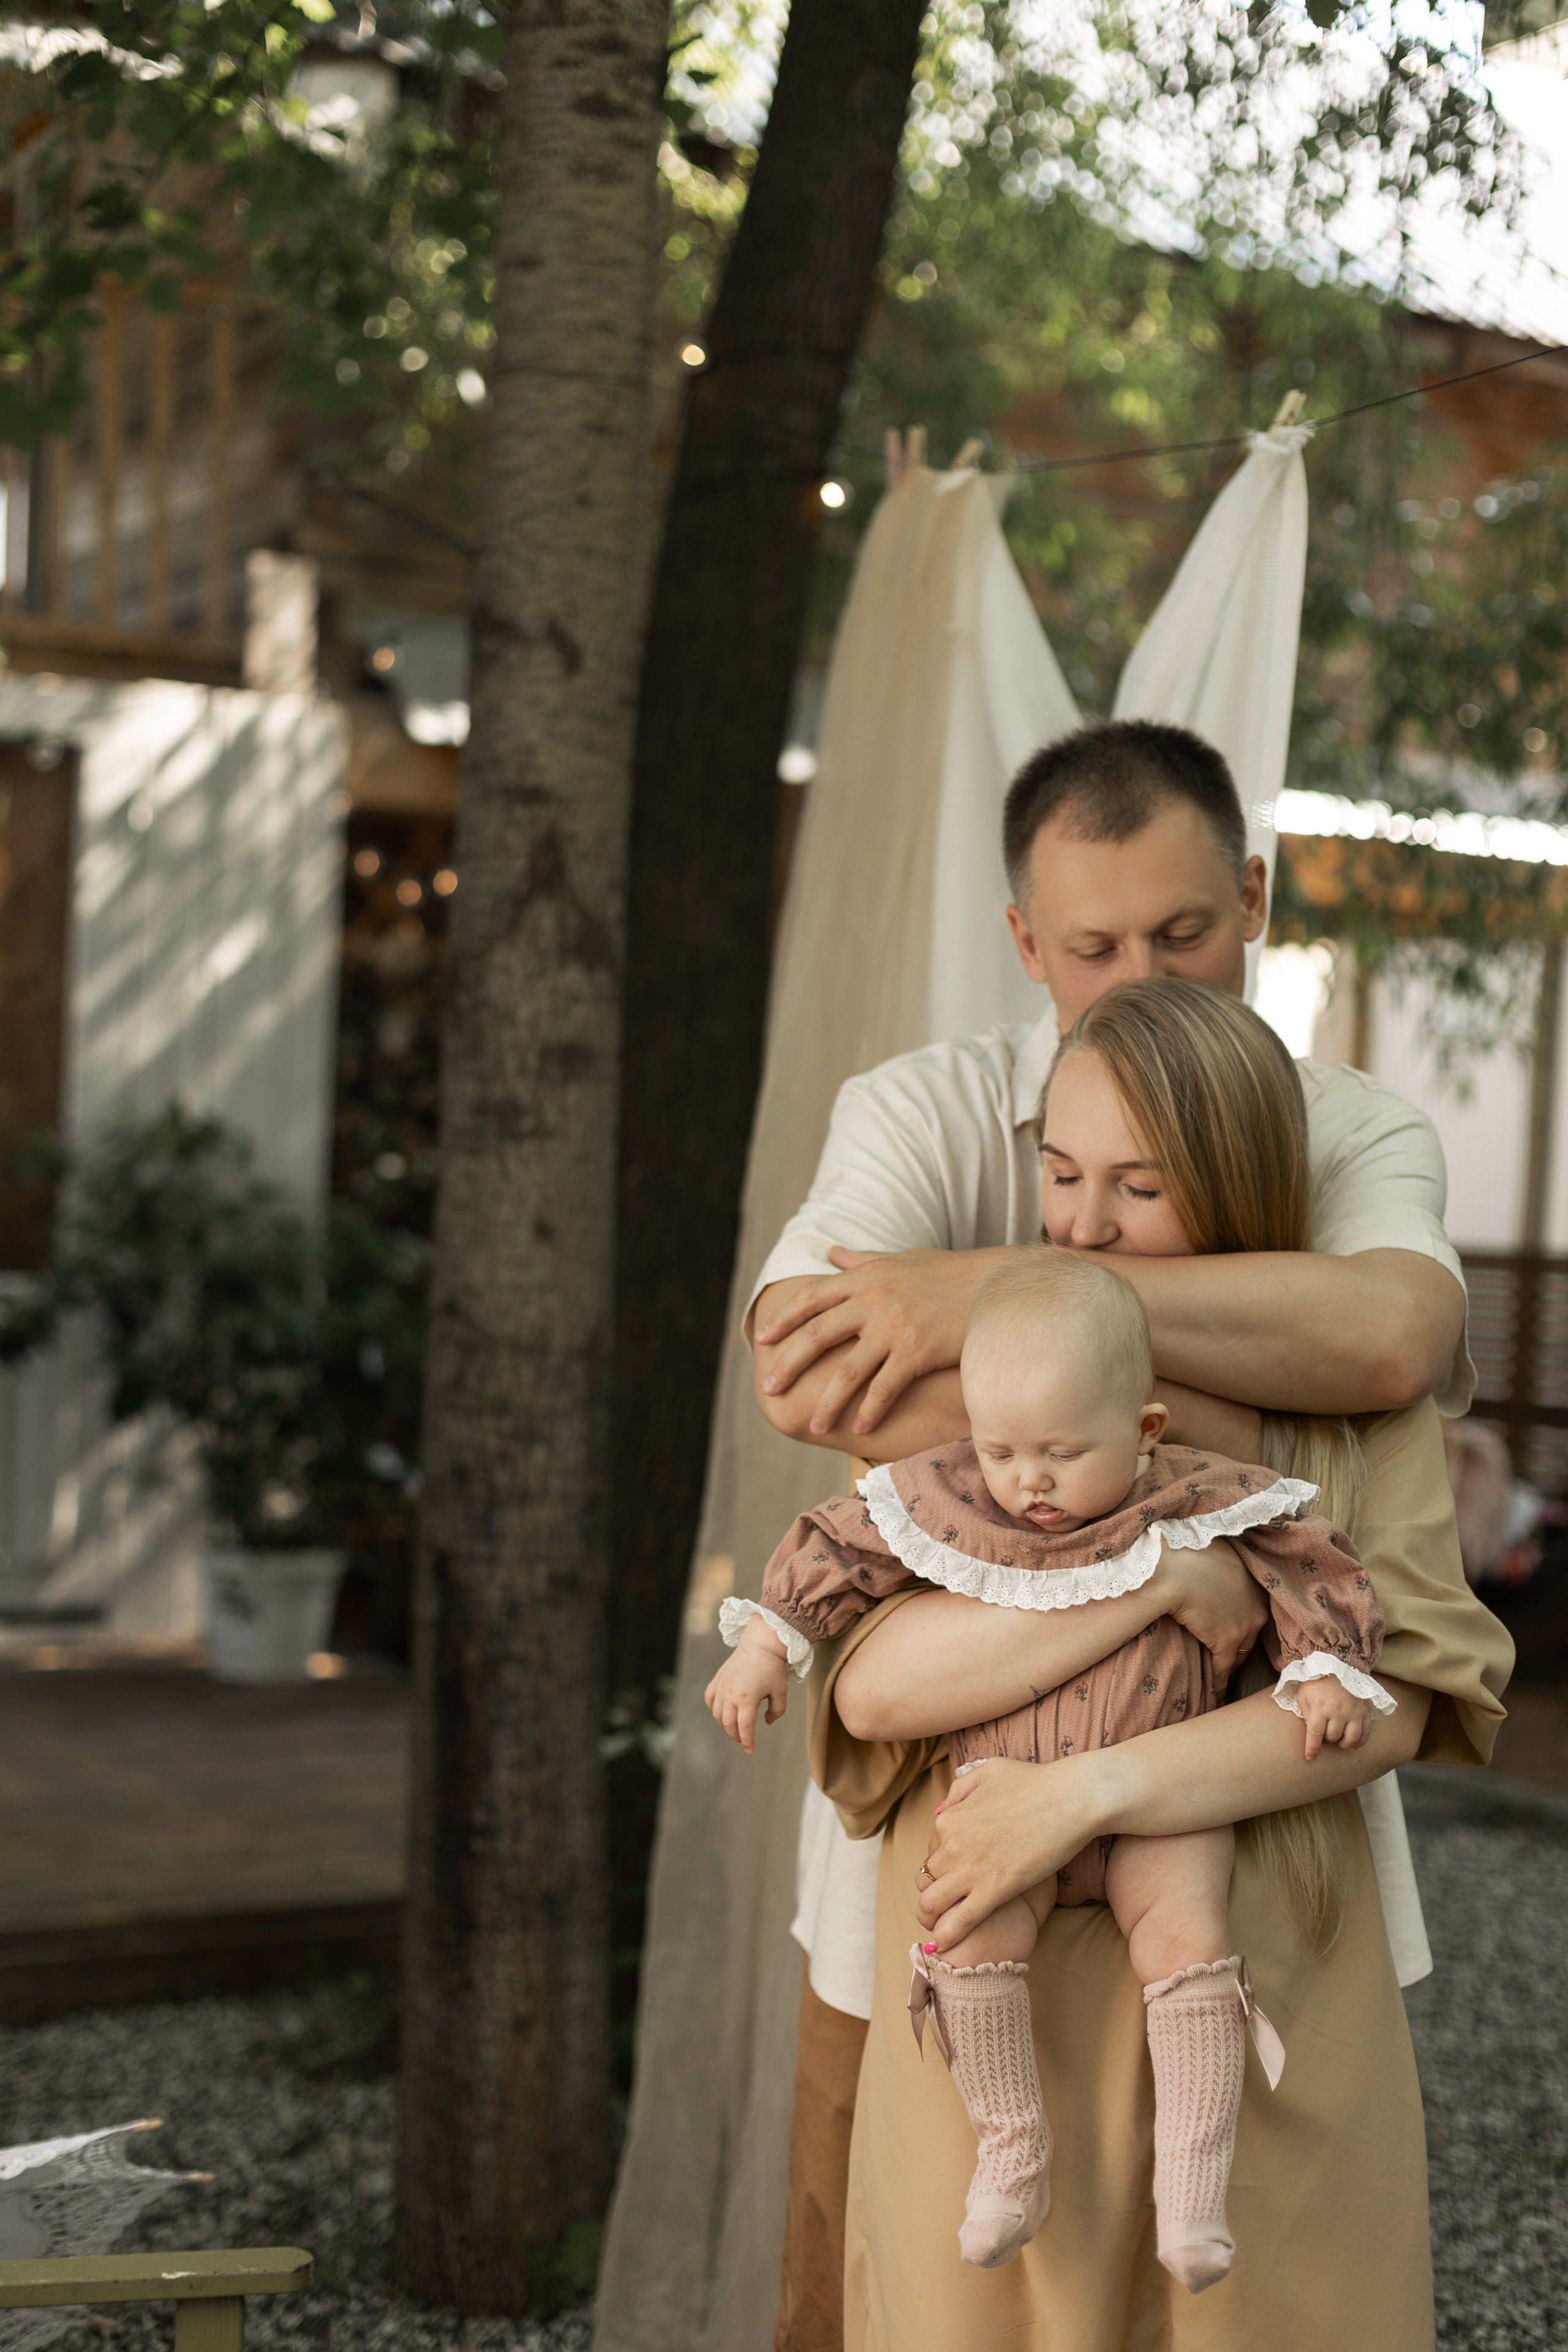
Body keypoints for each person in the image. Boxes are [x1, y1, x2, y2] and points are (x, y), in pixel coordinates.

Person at [747, 721, 1479, 2351]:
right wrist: (1182, 1560)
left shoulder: (1348, 1141)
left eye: (1184, 930)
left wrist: (978, 1304)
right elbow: (822, 1397)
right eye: (1092, 947)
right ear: (1029, 948)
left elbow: (1384, 1352)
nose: (1141, 973)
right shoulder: (924, 1110)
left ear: (1256, 903)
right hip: (974, 1891)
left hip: (1249, 1905)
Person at [712, 1234, 1390, 2290]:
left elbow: (1311, 1560)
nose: (1026, 1482)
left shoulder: (1195, 1493)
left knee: (1188, 1936)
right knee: (966, 1931)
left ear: (1145, 1428)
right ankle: (1013, 2149)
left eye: (1062, 1454)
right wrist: (766, 1645)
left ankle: (1195, 2185)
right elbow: (840, 1544)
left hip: (1157, 1804)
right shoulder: (954, 1491)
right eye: (1001, 1450)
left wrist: (1329, 1669)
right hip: (1000, 1807)